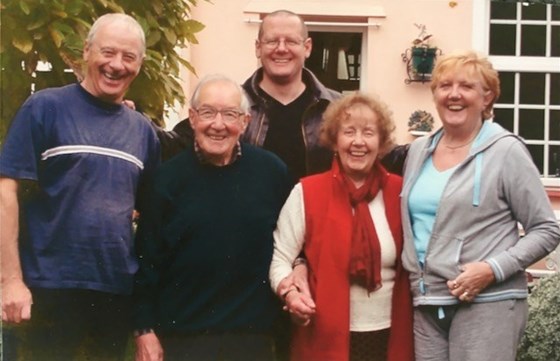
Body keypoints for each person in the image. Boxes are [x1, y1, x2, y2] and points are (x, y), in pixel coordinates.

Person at [0, 13, 160, 361]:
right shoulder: (45, 108)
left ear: (140, 64)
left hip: (114, 294)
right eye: (107, 52)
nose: (116, 65)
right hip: (47, 290)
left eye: (128, 57)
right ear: (86, 52)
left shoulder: (143, 132)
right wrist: (10, 281)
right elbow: (5, 192)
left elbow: (148, 219)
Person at [400, 50, 560, 361]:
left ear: (487, 98)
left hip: (488, 301)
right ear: (434, 95)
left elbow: (546, 228)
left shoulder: (506, 151)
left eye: (466, 86)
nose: (454, 95)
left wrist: (491, 269)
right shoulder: (419, 151)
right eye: (444, 86)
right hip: (427, 301)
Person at [133, 74, 293, 361]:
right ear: (192, 118)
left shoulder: (272, 173)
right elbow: (146, 260)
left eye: (230, 114)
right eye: (207, 113)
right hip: (182, 338)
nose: (218, 125)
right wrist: (144, 329)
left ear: (244, 122)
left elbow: (292, 245)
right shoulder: (166, 180)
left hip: (253, 339)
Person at [161, 10, 408, 178]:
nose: (281, 49)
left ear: (307, 47)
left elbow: (386, 154)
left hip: (317, 233)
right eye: (271, 41)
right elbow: (174, 143)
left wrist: (440, 143)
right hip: (252, 231)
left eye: (290, 41)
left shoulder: (338, 108)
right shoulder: (233, 108)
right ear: (258, 48)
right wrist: (125, 115)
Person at [269, 92, 414, 361]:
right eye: (349, 132)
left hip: (391, 335)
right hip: (323, 338)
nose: (358, 142)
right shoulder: (307, 192)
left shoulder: (401, 192)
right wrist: (289, 292)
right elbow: (280, 259)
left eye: (368, 133)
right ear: (335, 140)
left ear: (381, 142)